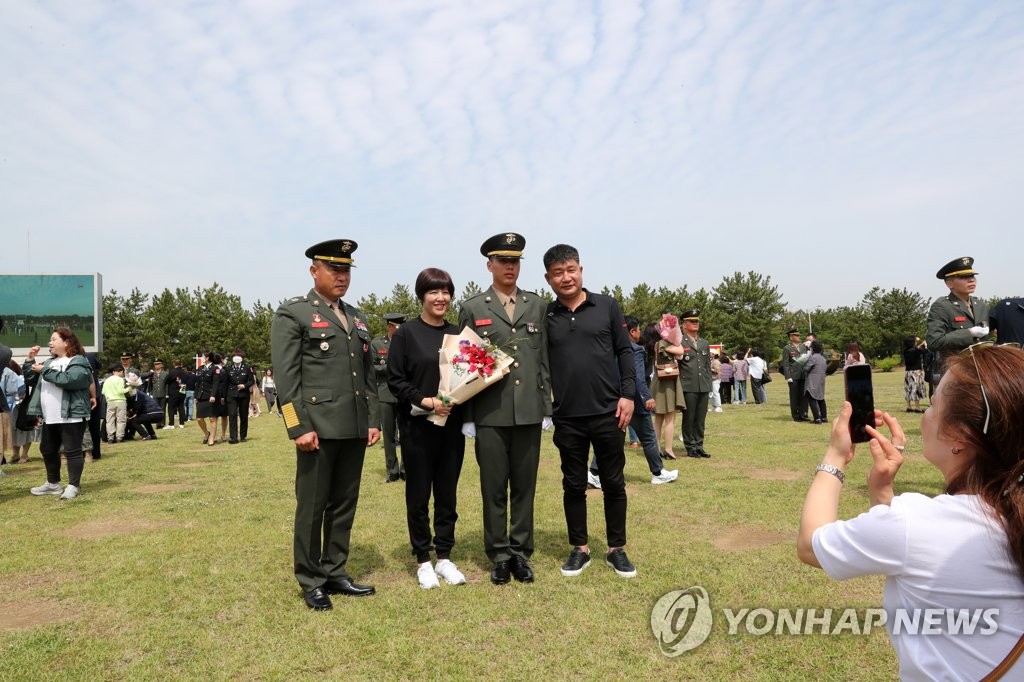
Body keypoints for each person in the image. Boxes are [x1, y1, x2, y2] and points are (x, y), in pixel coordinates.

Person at [798, 344, 1024, 680]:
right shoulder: (1009, 508)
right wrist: (882, 493)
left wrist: (835, 456)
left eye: (933, 404)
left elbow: (810, 544)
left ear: (959, 436)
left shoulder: (917, 522)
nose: (926, 415)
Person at [271, 238, 380, 611]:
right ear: (314, 270)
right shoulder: (294, 314)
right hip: (316, 428)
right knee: (313, 506)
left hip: (352, 427)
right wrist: (297, 427)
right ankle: (310, 578)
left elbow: (368, 377)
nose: (341, 276)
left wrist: (373, 420)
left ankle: (335, 570)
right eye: (334, 269)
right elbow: (286, 380)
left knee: (343, 503)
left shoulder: (357, 316)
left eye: (346, 269)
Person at [458, 233, 552, 585]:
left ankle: (520, 553)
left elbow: (543, 358)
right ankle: (498, 553)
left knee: (525, 486)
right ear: (489, 265)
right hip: (490, 413)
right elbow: (465, 366)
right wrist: (468, 416)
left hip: (528, 409)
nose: (510, 266)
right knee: (493, 486)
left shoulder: (537, 305)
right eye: (503, 261)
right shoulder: (473, 307)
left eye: (515, 261)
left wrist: (547, 407)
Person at [543, 243, 637, 579]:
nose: (565, 277)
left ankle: (616, 549)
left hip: (609, 412)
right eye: (558, 273)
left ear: (581, 270)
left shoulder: (607, 306)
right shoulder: (546, 315)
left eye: (571, 270)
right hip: (567, 414)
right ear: (548, 278)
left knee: (613, 481)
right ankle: (579, 549)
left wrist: (628, 394)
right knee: (573, 484)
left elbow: (625, 352)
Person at [387, 267, 467, 589]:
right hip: (417, 428)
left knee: (447, 494)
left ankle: (445, 556)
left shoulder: (459, 333)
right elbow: (395, 379)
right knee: (418, 495)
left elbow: (468, 376)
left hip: (452, 428)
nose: (441, 297)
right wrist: (426, 401)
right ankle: (423, 559)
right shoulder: (407, 333)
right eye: (434, 291)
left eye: (446, 291)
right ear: (422, 295)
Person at [588, 316, 678, 489]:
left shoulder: (609, 347)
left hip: (612, 399)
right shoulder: (635, 350)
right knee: (649, 438)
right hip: (633, 400)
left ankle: (594, 473)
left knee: (608, 438)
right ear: (631, 331)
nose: (639, 333)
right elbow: (637, 377)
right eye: (637, 330)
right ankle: (658, 473)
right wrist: (646, 397)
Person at [23, 328, 93, 500]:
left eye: (54, 339)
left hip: (72, 414)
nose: (50, 343)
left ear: (67, 342)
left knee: (72, 450)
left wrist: (44, 371)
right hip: (50, 415)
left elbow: (69, 380)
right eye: (50, 340)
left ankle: (73, 485)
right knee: (47, 449)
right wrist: (30, 360)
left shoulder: (79, 361)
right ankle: (53, 484)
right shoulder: (49, 362)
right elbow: (31, 378)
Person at [926, 256, 990, 383]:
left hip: (982, 372)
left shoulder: (981, 306)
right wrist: (969, 333)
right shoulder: (942, 306)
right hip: (956, 374)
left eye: (972, 276)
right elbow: (934, 341)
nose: (971, 279)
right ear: (949, 283)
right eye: (963, 277)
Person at [370, 313, 406, 483]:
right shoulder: (377, 343)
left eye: (400, 328)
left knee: (407, 435)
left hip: (405, 394)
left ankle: (406, 470)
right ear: (389, 326)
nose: (397, 330)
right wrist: (391, 368)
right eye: (394, 327)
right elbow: (371, 367)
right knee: (389, 435)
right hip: (385, 394)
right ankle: (392, 471)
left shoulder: (409, 341)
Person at [678, 309, 714, 458]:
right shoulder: (680, 342)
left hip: (703, 385)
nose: (696, 324)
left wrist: (709, 384)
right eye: (692, 321)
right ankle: (690, 446)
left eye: (697, 321)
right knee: (689, 417)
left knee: (700, 418)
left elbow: (706, 365)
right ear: (684, 325)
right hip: (688, 385)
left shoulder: (704, 343)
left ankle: (699, 445)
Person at [648, 320, 684, 460]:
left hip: (661, 382)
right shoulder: (664, 343)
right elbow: (680, 350)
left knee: (659, 418)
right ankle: (668, 449)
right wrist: (675, 340)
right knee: (670, 418)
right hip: (667, 383)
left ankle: (656, 448)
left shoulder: (658, 344)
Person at [225, 349, 255, 443]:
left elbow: (252, 381)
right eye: (235, 356)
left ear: (242, 358)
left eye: (239, 356)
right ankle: (233, 437)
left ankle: (243, 436)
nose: (237, 358)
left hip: (244, 395)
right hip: (232, 395)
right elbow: (226, 382)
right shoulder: (228, 368)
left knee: (243, 415)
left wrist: (244, 385)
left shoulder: (247, 368)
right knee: (232, 415)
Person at [780, 328, 808, 422]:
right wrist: (788, 376)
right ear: (791, 337)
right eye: (796, 335)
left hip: (803, 375)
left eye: (799, 335)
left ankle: (803, 414)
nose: (799, 336)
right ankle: (796, 415)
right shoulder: (787, 348)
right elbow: (786, 363)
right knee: (794, 396)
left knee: (803, 395)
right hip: (793, 376)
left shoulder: (803, 347)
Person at [125, 377, 162, 441]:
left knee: (134, 421)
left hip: (152, 413)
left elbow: (137, 407)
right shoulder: (140, 393)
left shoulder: (136, 393)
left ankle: (145, 435)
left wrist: (131, 414)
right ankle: (152, 434)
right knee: (144, 420)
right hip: (159, 413)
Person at [102, 364, 130, 443]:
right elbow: (120, 391)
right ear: (121, 372)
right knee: (121, 420)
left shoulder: (107, 380)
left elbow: (103, 392)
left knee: (110, 420)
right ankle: (119, 437)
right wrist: (130, 388)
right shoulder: (120, 380)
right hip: (120, 401)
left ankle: (110, 437)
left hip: (110, 401)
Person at [803, 340, 828, 424]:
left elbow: (806, 368)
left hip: (813, 381)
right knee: (821, 399)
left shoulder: (813, 357)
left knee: (811, 398)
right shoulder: (823, 358)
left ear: (812, 348)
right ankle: (824, 417)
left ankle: (817, 418)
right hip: (821, 380)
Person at [902, 336, 927, 413]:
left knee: (908, 389)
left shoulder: (906, 351)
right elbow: (924, 351)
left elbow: (916, 349)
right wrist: (925, 345)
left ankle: (909, 406)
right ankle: (917, 407)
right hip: (916, 372)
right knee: (916, 389)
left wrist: (920, 345)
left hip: (908, 372)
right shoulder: (916, 351)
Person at [165, 359, 188, 428]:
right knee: (181, 407)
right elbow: (186, 380)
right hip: (182, 390)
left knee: (171, 408)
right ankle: (182, 423)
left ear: (174, 364)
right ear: (180, 364)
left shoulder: (172, 372)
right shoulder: (184, 372)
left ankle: (171, 424)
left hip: (173, 391)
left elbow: (166, 380)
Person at [150, 359, 169, 428]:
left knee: (163, 409)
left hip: (163, 393)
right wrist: (150, 393)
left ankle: (162, 423)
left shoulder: (165, 373)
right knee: (156, 410)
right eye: (155, 364)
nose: (156, 365)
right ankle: (157, 424)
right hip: (155, 394)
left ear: (161, 365)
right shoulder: (152, 374)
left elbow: (167, 384)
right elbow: (150, 384)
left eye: (158, 364)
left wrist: (167, 393)